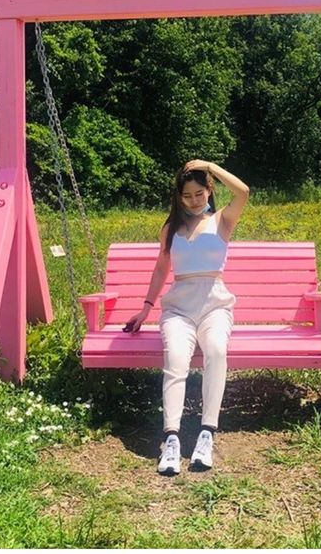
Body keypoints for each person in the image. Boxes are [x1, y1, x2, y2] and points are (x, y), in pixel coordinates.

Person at [122, 159, 250, 476]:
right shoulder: (171, 229)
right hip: (178, 308)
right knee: (176, 360)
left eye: (199, 193)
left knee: (217, 352)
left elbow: (243, 192)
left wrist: (209, 166)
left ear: (209, 191)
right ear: (179, 197)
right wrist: (146, 308)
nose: (194, 200)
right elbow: (161, 269)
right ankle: (172, 438)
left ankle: (207, 432)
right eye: (187, 195)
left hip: (214, 305)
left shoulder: (222, 220)